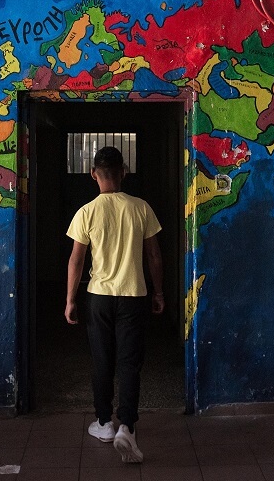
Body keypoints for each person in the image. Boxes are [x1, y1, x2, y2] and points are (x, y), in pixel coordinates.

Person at [65, 146, 164, 464]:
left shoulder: (86, 212)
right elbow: (154, 255)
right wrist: (158, 292)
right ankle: (127, 428)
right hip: (134, 295)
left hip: (98, 297)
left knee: (102, 361)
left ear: (93, 174)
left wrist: (70, 299)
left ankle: (105, 423)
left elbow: (76, 260)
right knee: (129, 363)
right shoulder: (141, 208)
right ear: (124, 172)